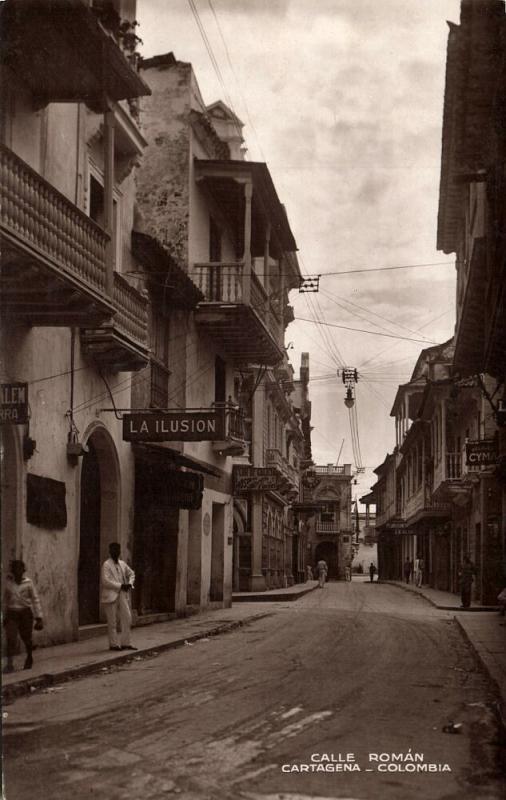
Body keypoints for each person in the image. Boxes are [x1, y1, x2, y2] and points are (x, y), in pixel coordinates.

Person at [3, 559, 43, 673]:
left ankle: (29, 657)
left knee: (26, 637)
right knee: (11, 638)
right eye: (15, 569)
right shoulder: (8, 583)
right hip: (12, 613)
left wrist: (39, 617)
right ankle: (9, 664)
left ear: (23, 570)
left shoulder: (28, 583)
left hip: (25, 613)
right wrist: (4, 616)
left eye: (20, 569)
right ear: (12, 571)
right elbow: (4, 600)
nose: (17, 571)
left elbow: (35, 600)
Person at [101, 542, 137, 651]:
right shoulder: (106, 564)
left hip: (122, 594)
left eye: (117, 550)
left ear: (120, 551)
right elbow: (105, 581)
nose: (116, 552)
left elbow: (132, 574)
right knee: (112, 621)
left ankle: (126, 643)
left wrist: (130, 583)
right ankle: (113, 644)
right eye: (113, 550)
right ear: (110, 551)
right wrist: (121, 585)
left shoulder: (122, 564)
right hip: (111, 595)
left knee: (127, 617)